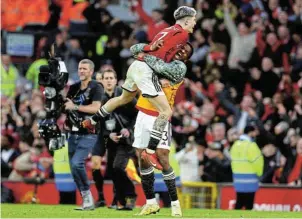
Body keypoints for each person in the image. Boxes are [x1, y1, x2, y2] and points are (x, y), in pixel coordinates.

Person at [83, 6, 197, 171]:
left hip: (136, 66)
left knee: (124, 98)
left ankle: (91, 121)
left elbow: (136, 49)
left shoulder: (166, 30)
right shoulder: (183, 35)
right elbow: (160, 61)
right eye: (193, 20)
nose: (194, 23)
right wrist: (150, 58)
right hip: (145, 70)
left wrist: (145, 53)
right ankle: (150, 152)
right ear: (186, 20)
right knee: (166, 112)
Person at [128, 42, 193, 216]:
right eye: (180, 48)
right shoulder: (158, 59)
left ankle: (175, 204)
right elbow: (134, 50)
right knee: (142, 158)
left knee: (163, 158)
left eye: (186, 52)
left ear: (187, 58)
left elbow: (157, 73)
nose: (181, 52)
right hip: (143, 113)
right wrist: (152, 46)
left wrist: (145, 57)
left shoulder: (179, 70)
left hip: (160, 116)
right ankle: (150, 202)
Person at [64, 59, 103, 210]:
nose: (81, 71)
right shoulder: (73, 88)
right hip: (73, 132)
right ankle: (86, 199)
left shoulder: (96, 87)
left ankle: (87, 197)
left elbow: (95, 108)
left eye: (85, 69)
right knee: (73, 167)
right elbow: (66, 107)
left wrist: (75, 106)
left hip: (90, 132)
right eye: (80, 68)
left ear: (91, 72)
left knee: (76, 163)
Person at [230, 125, 264, 210]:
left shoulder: (235, 145)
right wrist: (259, 174)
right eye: (254, 132)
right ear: (251, 132)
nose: (255, 135)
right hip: (250, 180)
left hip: (238, 179)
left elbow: (232, 162)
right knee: (249, 205)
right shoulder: (251, 146)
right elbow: (258, 162)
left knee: (239, 203)